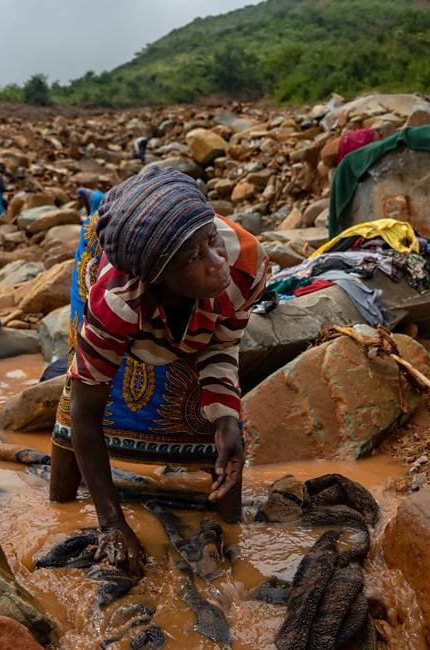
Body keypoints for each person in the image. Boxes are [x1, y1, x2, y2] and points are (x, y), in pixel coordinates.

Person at [49, 167, 269, 579]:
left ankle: (231, 527)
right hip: (128, 310)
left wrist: (225, 416)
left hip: (179, 312)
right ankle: (62, 502)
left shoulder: (244, 264)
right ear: (157, 278)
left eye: (212, 240)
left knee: (220, 432)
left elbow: (222, 344)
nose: (216, 261)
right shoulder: (116, 302)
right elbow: (85, 408)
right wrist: (112, 524)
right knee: (77, 396)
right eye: (195, 257)